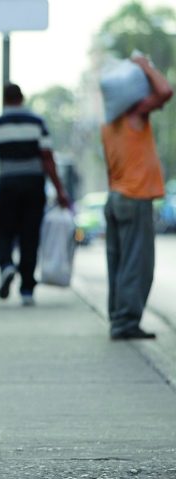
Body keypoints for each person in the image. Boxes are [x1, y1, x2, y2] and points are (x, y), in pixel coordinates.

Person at [0, 83, 70, 306]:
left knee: (3, 229)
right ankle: (27, 288)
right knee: (30, 235)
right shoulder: (37, 122)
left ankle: (6, 265)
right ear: (22, 98)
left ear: (4, 100)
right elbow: (48, 157)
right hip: (34, 184)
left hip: (8, 183)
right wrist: (59, 189)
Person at [101, 56, 173, 340]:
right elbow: (165, 92)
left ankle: (118, 317)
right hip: (134, 197)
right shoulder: (135, 115)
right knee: (137, 264)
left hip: (116, 197)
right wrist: (144, 66)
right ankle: (126, 322)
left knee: (118, 263)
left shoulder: (108, 125)